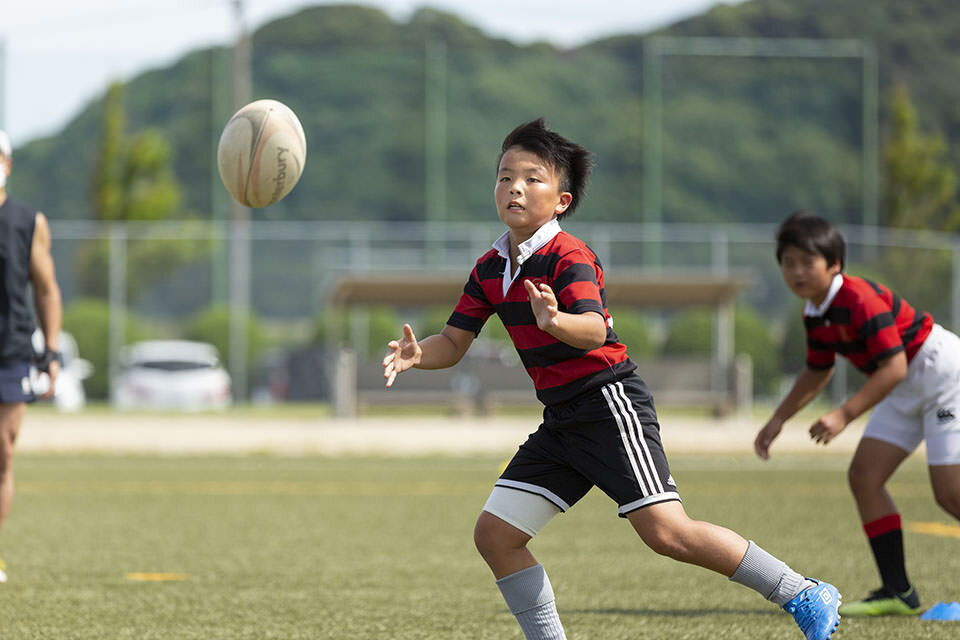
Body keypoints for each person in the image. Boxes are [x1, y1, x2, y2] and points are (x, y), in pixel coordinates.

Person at [383, 119, 841, 640]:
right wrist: (418, 355)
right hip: (562, 422)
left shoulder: (568, 255)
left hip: (608, 403)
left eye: (533, 178)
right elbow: (454, 342)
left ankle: (801, 591)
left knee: (668, 533)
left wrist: (555, 321)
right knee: (496, 535)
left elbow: (595, 329)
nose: (514, 187)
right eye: (505, 176)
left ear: (561, 200)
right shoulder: (490, 268)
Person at [755, 210, 960, 616]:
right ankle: (898, 592)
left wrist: (844, 414)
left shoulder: (858, 297)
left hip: (942, 376)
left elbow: (896, 365)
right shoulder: (814, 312)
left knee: (950, 492)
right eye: (788, 262)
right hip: (901, 386)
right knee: (865, 476)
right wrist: (778, 420)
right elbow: (818, 369)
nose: (796, 272)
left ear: (834, 265)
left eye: (807, 262)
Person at [0, 129, 63, 584]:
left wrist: (52, 351)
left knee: (2, 453)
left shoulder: (27, 222)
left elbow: (46, 289)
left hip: (11, 351)